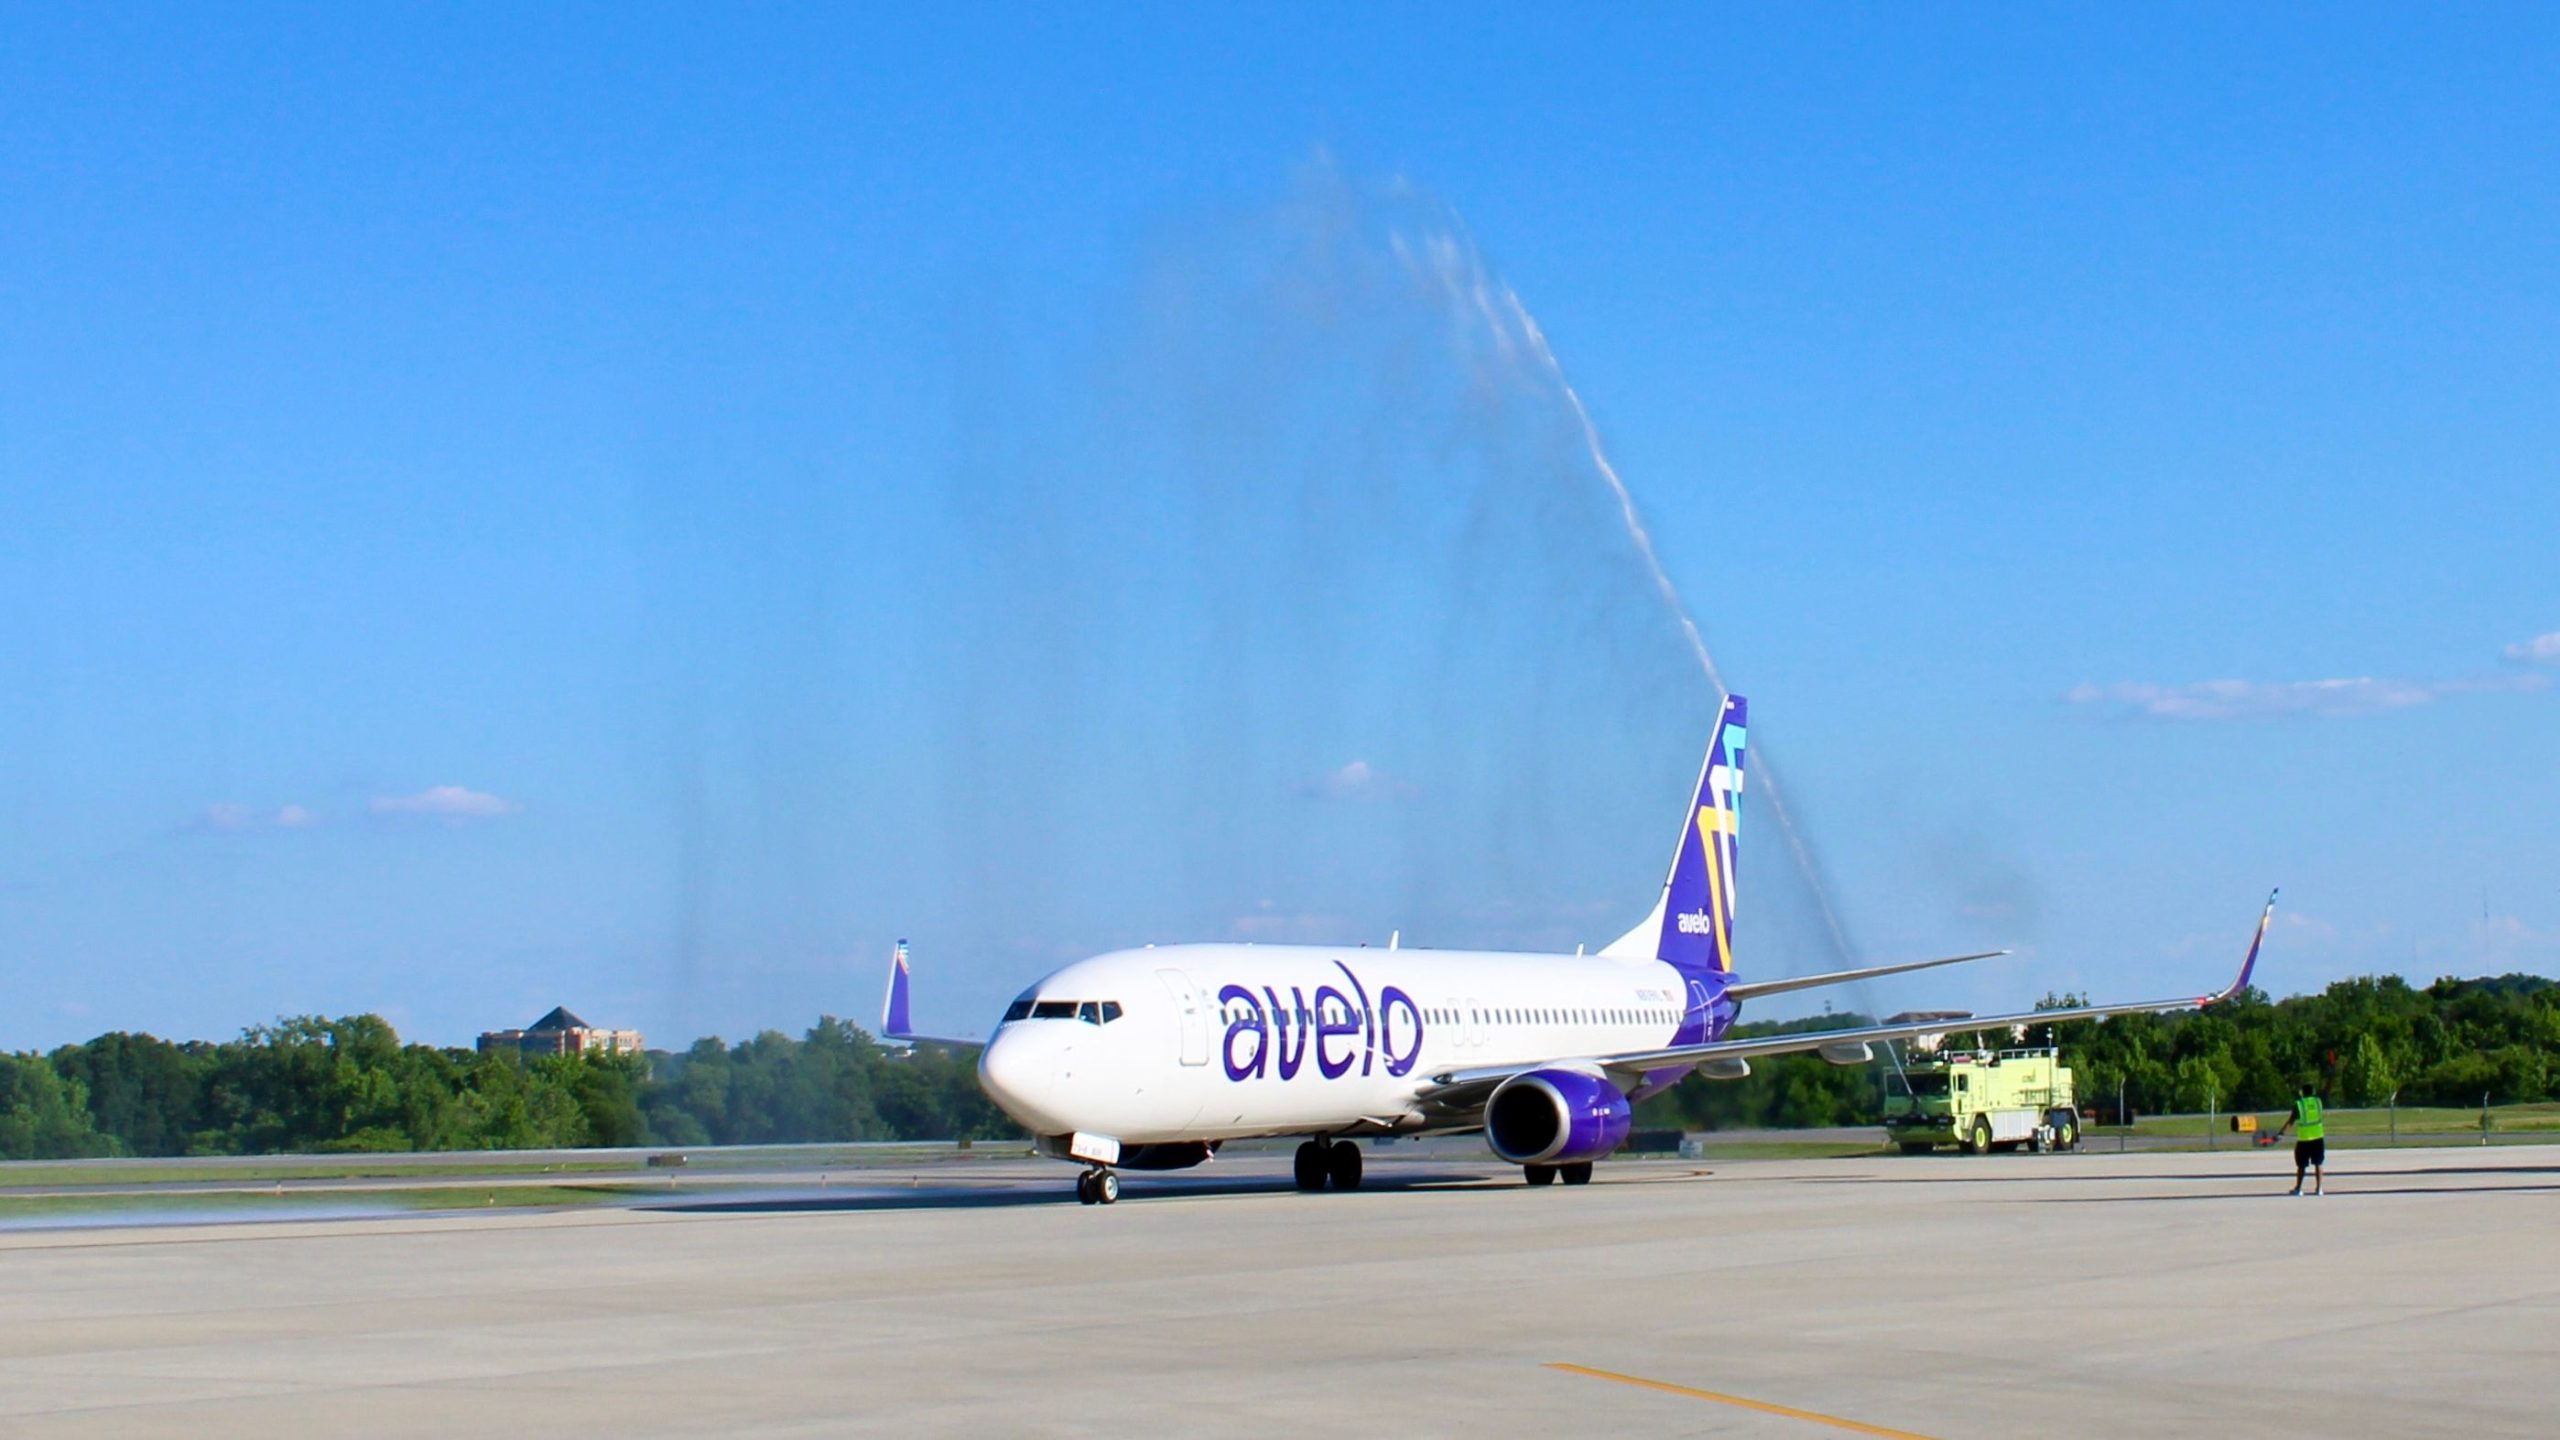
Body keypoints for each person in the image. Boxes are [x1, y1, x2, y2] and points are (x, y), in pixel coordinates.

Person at [2268, 1081, 2326, 1195]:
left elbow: (2291, 1120)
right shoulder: (2318, 1102)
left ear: (2302, 1092)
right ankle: (2319, 1189)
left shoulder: (2300, 1104)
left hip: (2304, 1139)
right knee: (2318, 1163)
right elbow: (2326, 1090)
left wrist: (2281, 1133)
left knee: (2301, 1165)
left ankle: (2299, 1188)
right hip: (2318, 1137)